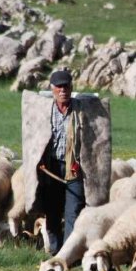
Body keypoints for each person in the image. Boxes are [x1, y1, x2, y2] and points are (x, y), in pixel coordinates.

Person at [38, 70, 86, 254]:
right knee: (52, 212)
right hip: (51, 168)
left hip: (74, 168)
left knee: (73, 211)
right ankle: (55, 251)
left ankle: (68, 254)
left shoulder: (80, 110)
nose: (63, 90)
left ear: (71, 88)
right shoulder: (45, 111)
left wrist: (82, 160)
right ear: (52, 89)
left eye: (66, 86)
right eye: (59, 86)